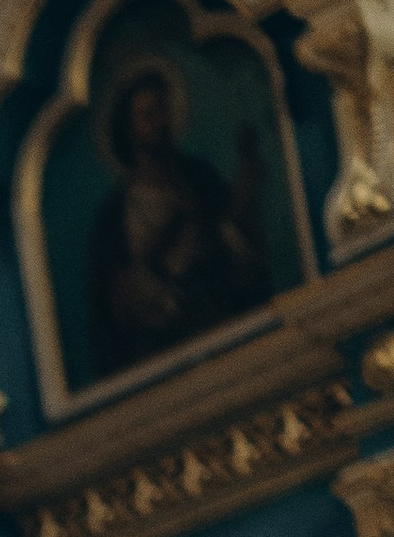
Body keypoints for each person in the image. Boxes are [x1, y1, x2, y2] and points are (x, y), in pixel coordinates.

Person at [87, 59, 272, 376]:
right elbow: (120, 304)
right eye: (148, 115)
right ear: (129, 129)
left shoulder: (196, 176)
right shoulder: (116, 214)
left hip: (220, 317)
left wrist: (245, 188)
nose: (160, 122)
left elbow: (231, 237)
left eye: (163, 110)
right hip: (164, 344)